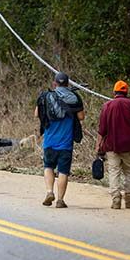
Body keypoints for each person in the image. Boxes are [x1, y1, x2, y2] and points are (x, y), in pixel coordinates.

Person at [35, 72, 85, 208]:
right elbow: (81, 117)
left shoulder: (45, 97)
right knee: (63, 171)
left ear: (54, 83)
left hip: (49, 141)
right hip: (66, 143)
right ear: (68, 84)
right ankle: (60, 200)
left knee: (48, 166)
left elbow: (36, 114)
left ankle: (49, 191)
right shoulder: (74, 97)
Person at [96, 80, 130, 209]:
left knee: (114, 171)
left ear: (114, 92)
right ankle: (129, 200)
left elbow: (102, 130)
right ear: (126, 92)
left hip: (112, 146)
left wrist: (98, 146)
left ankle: (116, 200)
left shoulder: (107, 106)